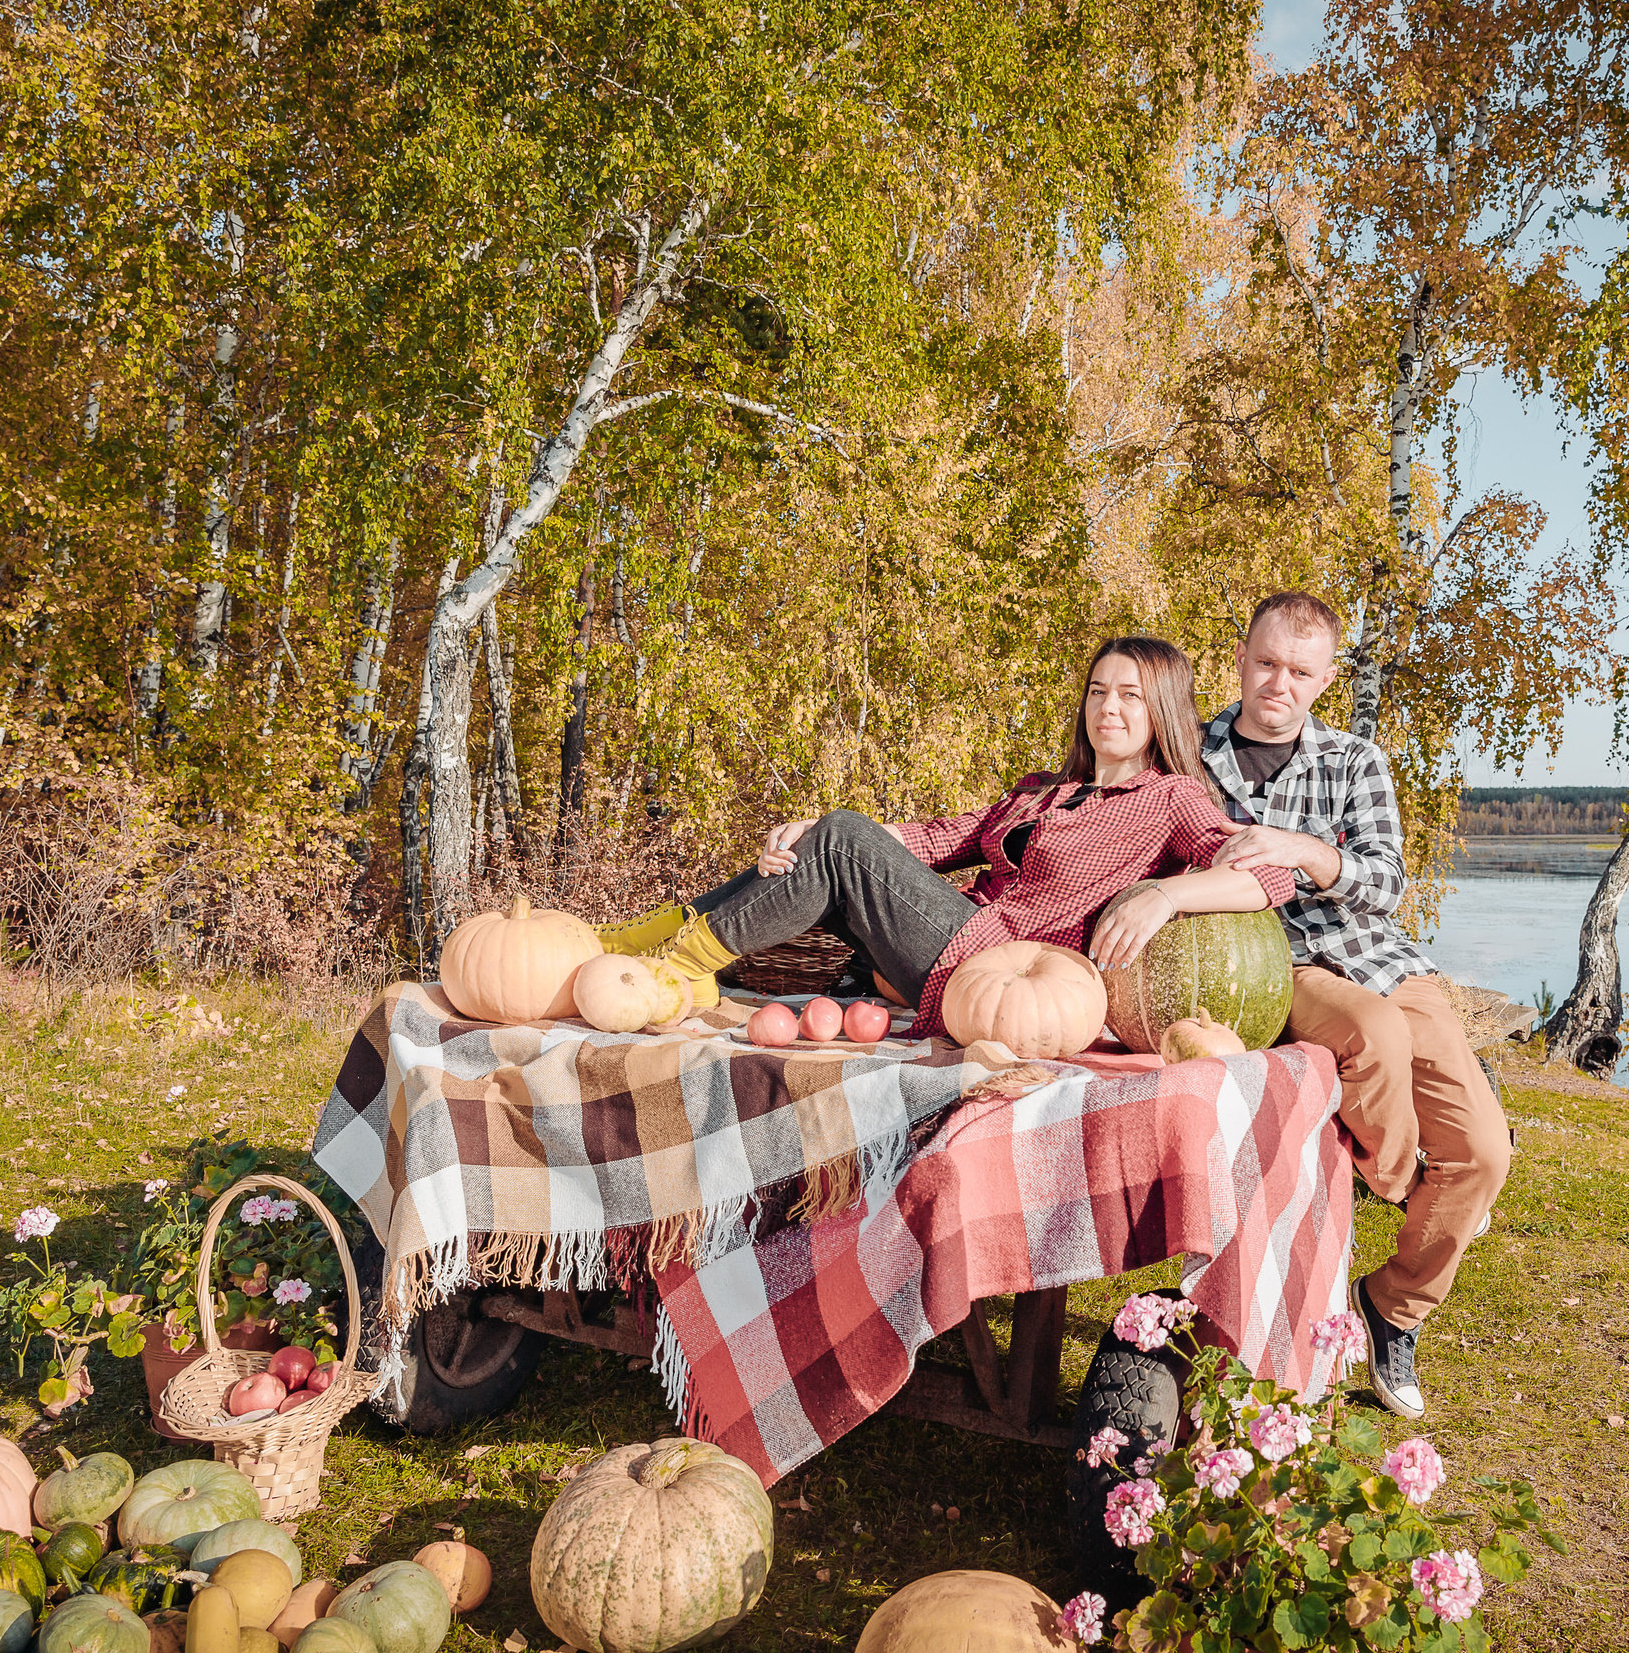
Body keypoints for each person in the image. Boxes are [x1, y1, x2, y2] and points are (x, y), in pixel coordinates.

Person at [596, 636, 1297, 1041]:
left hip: (1000, 971)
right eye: (1097, 690)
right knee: (829, 843)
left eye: (1130, 695)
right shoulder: (1041, 790)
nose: (1107, 707)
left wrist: (1166, 897)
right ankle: (647, 941)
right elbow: (936, 839)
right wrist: (814, 833)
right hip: (948, 951)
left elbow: (1271, 878)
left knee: (844, 835)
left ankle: (676, 964)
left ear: (1163, 709)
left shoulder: (1170, 798)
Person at [1201, 591, 1509, 1420]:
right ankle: (1409, 1185)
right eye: (1266, 662)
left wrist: (1302, 850)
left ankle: (1393, 1306)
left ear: (1325, 678)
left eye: (1300, 671)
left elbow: (1387, 883)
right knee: (1372, 1041)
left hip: (1384, 959)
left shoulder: (1354, 760)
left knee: (1483, 1153)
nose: (1279, 682)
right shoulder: (1192, 756)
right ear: (1240, 655)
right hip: (1274, 961)